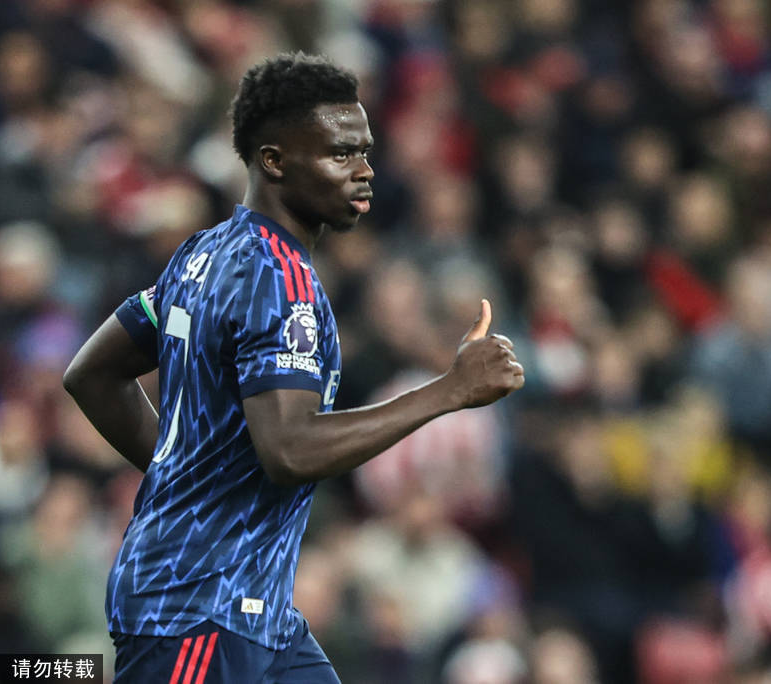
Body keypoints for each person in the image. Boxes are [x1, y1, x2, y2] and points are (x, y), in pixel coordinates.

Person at [63, 52, 524, 684]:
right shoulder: (280, 281)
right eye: (341, 154)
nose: (364, 171)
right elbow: (292, 450)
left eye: (365, 151)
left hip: (260, 613)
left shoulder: (203, 253)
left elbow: (91, 373)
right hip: (197, 608)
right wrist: (450, 390)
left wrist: (189, 478)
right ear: (274, 161)